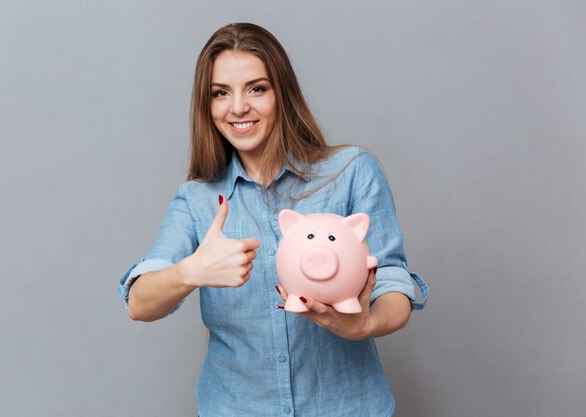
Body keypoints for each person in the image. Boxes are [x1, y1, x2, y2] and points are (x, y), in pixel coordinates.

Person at [118, 22, 429, 417]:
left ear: (283, 93)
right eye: (220, 93)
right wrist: (190, 271)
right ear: (206, 105)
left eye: (256, 88)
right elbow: (140, 304)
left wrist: (364, 325)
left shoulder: (351, 172)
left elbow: (393, 283)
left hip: (347, 407)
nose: (238, 107)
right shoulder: (197, 200)